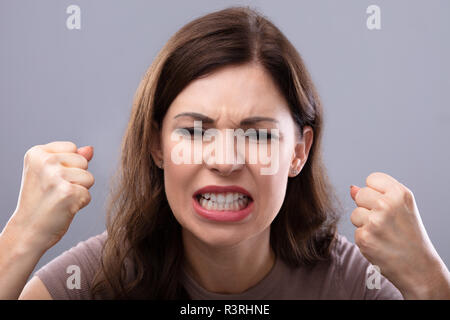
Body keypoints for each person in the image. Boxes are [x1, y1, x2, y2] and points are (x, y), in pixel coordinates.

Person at [0, 6, 449, 300]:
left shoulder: (351, 284)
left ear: (298, 152)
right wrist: (21, 237)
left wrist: (430, 281)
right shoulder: (97, 279)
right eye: (195, 130)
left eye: (258, 135)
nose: (225, 160)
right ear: (156, 144)